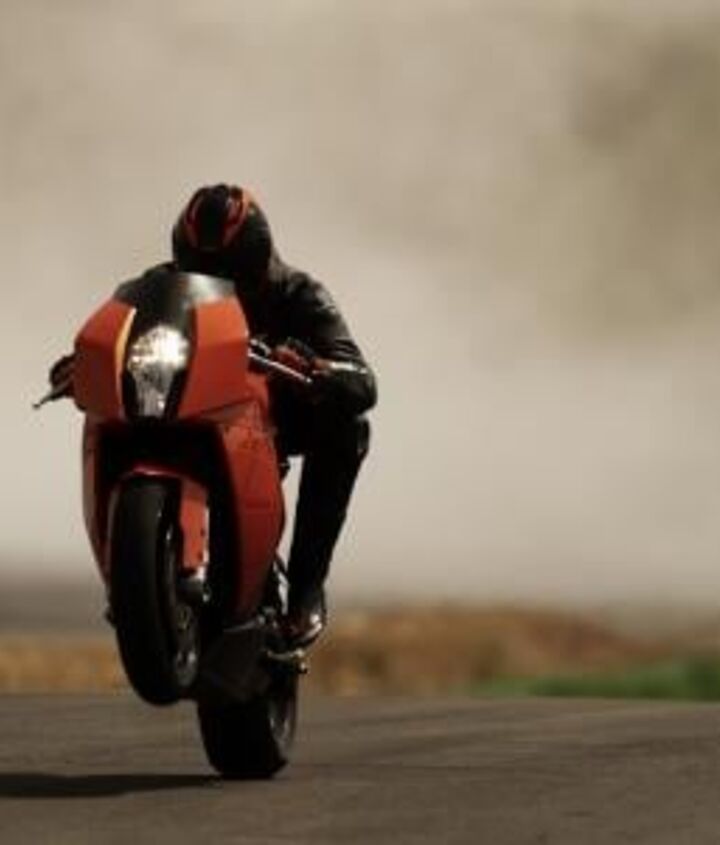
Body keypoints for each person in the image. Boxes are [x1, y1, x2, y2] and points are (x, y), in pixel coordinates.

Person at [51, 184, 377, 649]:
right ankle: (130, 575)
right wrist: (86, 361)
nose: (216, 280)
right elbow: (121, 331)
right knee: (105, 418)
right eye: (202, 269)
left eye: (230, 269)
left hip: (266, 418)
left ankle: (306, 587)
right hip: (180, 403)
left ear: (258, 259)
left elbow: (362, 379)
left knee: (348, 428)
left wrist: (319, 370)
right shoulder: (160, 285)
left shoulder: (300, 294)